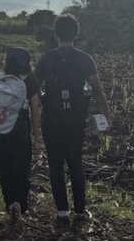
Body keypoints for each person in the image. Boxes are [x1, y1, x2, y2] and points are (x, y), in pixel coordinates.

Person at [34, 14, 113, 224]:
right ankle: (80, 211)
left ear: (56, 34)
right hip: (76, 120)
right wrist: (106, 115)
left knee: (55, 165)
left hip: (51, 120)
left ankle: (62, 212)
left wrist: (43, 103)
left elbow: (33, 88)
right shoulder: (84, 59)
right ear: (76, 33)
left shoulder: (46, 59)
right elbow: (97, 90)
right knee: (76, 163)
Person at [0, 47, 42, 226]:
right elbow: (35, 110)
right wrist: (36, 137)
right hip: (19, 128)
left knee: (4, 167)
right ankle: (20, 203)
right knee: (21, 167)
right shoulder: (30, 80)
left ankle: (9, 203)